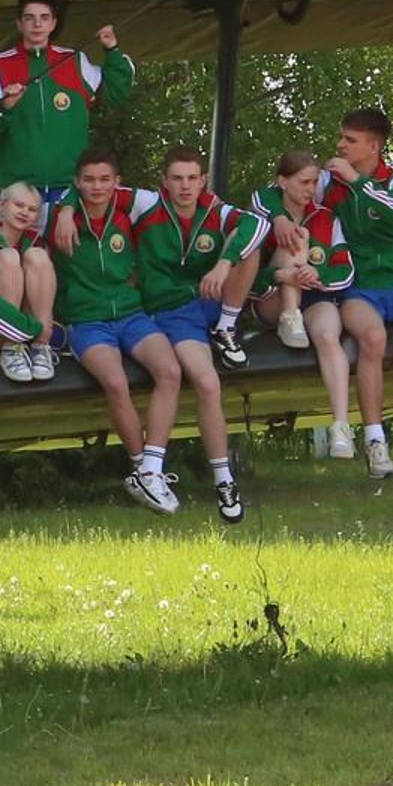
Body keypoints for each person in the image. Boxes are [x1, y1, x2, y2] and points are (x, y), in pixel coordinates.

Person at [136, 146, 270, 522]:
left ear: (202, 180)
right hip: (174, 313)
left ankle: (228, 327)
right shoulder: (145, 204)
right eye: (176, 178)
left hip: (212, 301)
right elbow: (93, 188)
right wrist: (63, 211)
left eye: (192, 178)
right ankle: (224, 479)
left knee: (249, 247)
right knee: (208, 384)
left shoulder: (215, 208)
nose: (185, 186)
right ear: (164, 181)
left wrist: (225, 262)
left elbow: (259, 225)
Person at [48, 152, 181, 514]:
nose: (97, 187)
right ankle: (140, 468)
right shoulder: (59, 219)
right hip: (87, 321)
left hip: (131, 314)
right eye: (88, 180)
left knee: (169, 372)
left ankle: (152, 469)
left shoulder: (128, 212)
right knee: (117, 383)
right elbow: (12, 220)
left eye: (105, 179)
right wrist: (62, 210)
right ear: (77, 182)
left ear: (116, 181)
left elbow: (172, 198)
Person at [324, 106, 393, 482]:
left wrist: (357, 182)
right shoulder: (329, 182)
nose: (340, 145)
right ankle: (376, 444)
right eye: (341, 137)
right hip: (358, 288)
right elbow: (287, 193)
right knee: (373, 338)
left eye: (350, 140)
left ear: (373, 146)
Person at [0, 0, 135, 203]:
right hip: (18, 188)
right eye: (30, 18)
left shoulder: (74, 60)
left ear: (53, 23)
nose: (37, 24)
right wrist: (6, 107)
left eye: (44, 18)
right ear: (19, 24)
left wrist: (111, 49)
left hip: (71, 186)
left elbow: (116, 92)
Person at [251, 148, 356, 450]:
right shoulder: (262, 212)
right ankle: (289, 316)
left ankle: (340, 426)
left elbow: (345, 269)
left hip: (313, 297)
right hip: (271, 300)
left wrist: (316, 275)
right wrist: (281, 277)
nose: (311, 190)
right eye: (303, 182)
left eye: (314, 183)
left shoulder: (326, 217)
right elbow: (246, 282)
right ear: (282, 182)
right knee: (298, 239)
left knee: (327, 334)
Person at [0, 181, 59, 384]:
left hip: (32, 332)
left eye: (32, 209)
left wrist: (40, 331)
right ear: (3, 205)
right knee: (8, 257)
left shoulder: (38, 244)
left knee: (37, 256)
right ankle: (12, 348)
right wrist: (27, 328)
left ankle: (41, 348)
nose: (25, 212)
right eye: (19, 205)